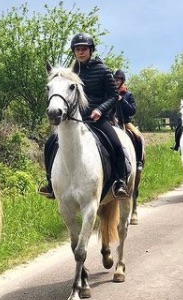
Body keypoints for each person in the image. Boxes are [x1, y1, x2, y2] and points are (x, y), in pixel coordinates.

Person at [38, 33, 128, 199]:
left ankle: (120, 182)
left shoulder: (102, 70)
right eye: (78, 49)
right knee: (50, 144)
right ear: (74, 51)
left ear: (90, 50)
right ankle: (51, 184)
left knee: (116, 144)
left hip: (97, 119)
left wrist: (100, 110)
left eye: (84, 49)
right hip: (74, 120)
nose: (81, 52)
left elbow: (113, 95)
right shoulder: (70, 72)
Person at [113, 69, 143, 170]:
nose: (116, 82)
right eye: (114, 80)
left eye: (118, 80)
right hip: (112, 122)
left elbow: (132, 110)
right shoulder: (109, 94)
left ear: (122, 81)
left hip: (125, 123)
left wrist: (122, 101)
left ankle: (139, 161)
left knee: (138, 137)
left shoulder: (128, 95)